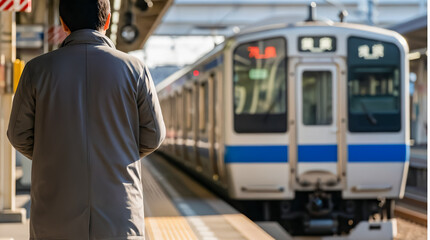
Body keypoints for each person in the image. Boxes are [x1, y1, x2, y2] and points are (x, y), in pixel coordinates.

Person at [7, 0, 165, 239]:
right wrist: (118, 152)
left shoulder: (36, 70)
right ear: (108, 20)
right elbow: (154, 135)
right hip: (120, 213)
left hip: (54, 215)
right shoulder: (135, 69)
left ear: (63, 24)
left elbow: (18, 134)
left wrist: (53, 155)